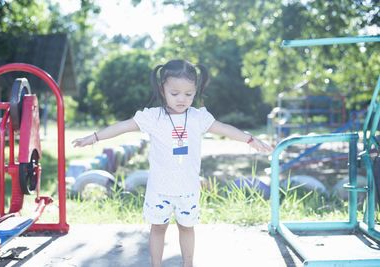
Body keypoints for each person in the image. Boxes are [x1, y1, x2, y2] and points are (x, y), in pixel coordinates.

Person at [72, 59, 273, 267]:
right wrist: (95, 137)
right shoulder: (153, 117)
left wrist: (250, 139)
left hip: (188, 189)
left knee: (187, 228)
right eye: (175, 93)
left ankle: (188, 264)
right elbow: (122, 126)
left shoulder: (198, 118)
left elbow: (224, 128)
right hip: (159, 189)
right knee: (158, 228)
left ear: (196, 91)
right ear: (162, 89)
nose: (182, 99)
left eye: (189, 94)